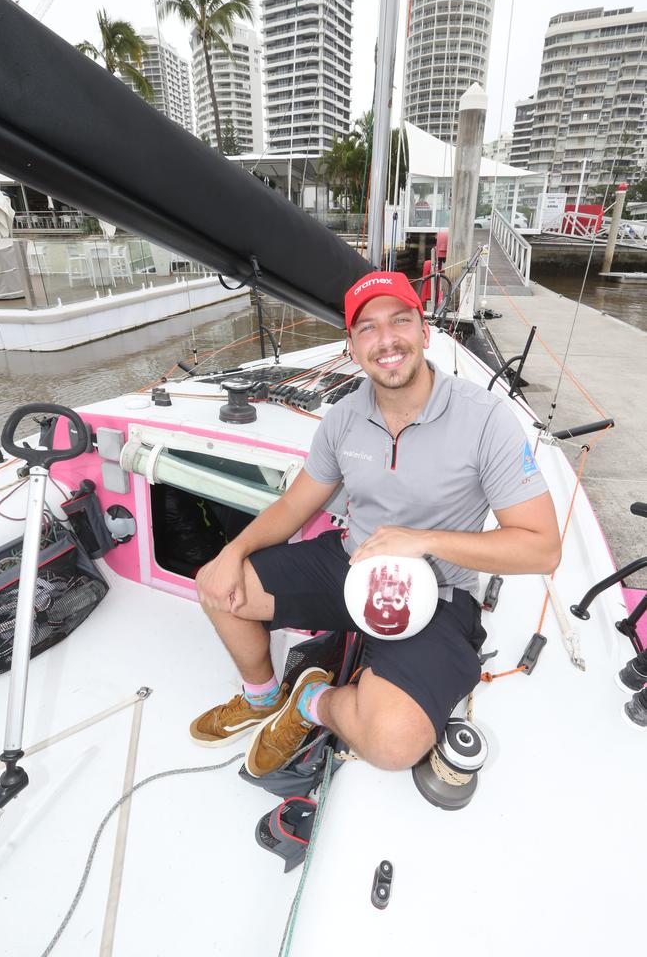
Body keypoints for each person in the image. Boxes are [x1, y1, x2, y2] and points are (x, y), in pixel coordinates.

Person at [192, 271, 561, 778]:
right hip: (350, 564)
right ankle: (260, 696)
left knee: (391, 745)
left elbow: (542, 549)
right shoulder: (343, 418)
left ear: (424, 331)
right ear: (351, 345)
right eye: (367, 328)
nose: (386, 340)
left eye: (400, 321)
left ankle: (310, 702)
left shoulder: (485, 419)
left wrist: (423, 541)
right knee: (219, 588)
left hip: (440, 589)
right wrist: (230, 554)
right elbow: (293, 508)